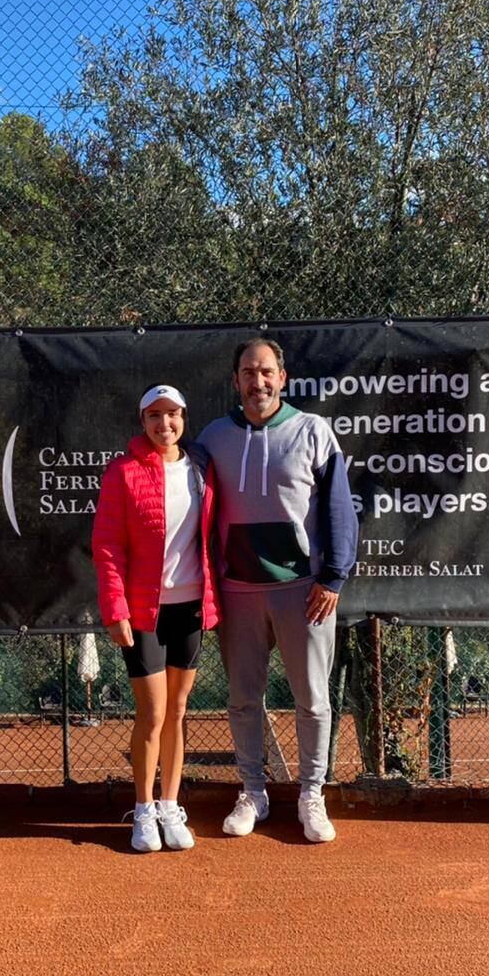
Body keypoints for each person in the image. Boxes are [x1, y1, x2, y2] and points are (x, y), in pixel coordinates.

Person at [197, 339, 358, 843]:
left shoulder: (313, 431)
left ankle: (312, 794)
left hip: (304, 592)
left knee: (312, 700)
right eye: (248, 372)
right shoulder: (213, 437)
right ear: (236, 381)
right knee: (244, 699)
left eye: (266, 372)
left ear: (282, 378)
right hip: (238, 592)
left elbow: (339, 510)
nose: (258, 381)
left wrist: (333, 577)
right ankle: (254, 792)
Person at [92, 384, 219, 853]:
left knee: (179, 711)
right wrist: (115, 609)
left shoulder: (203, 470)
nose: (164, 425)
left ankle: (170, 805)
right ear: (142, 422)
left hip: (190, 607)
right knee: (153, 712)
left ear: (184, 418)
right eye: (154, 417)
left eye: (172, 416)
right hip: (143, 611)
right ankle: (143, 811)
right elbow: (107, 548)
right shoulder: (123, 472)